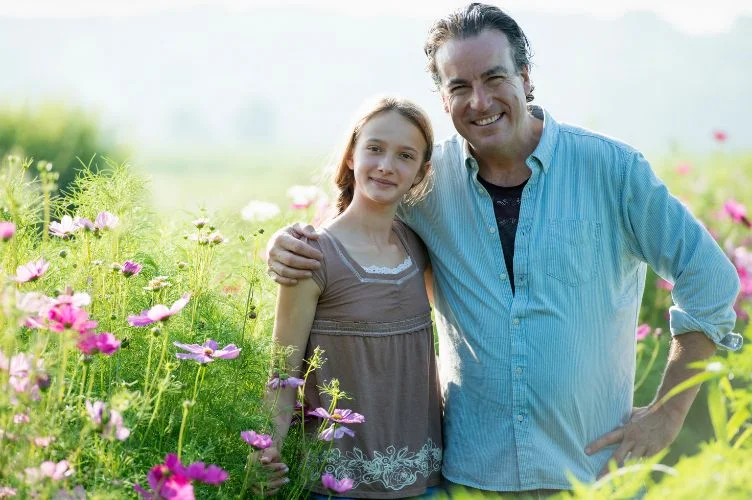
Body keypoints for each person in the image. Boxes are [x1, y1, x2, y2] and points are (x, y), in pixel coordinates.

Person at [266, 3, 742, 494]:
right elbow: (359, 224)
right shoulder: (427, 183)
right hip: (471, 478)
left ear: (526, 78)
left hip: (594, 475)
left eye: (494, 78)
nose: (479, 100)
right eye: (458, 87)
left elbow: (710, 279)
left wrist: (667, 414)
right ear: (443, 98)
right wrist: (291, 244)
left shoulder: (613, 170)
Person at [254, 96, 443, 498]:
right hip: (336, 487)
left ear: (421, 173)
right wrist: (264, 450)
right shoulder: (312, 256)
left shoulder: (417, 248)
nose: (386, 165)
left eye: (404, 156)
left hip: (424, 484)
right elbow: (282, 373)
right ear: (352, 156)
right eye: (374, 148)